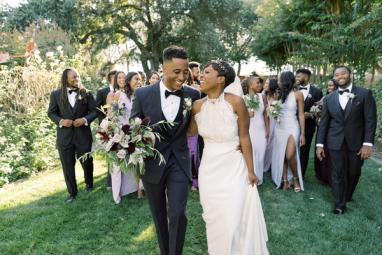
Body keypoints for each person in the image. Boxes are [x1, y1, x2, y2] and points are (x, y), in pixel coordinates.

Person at [188, 60, 268, 255]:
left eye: (207, 72)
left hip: (234, 166)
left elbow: (244, 137)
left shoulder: (235, 102)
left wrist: (251, 171)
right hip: (209, 169)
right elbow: (189, 133)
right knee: (213, 218)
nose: (201, 75)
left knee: (233, 219)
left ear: (221, 79)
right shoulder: (197, 106)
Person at [130, 46, 200, 255]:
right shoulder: (143, 94)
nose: (182, 77)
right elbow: (135, 126)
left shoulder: (193, 94)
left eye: (185, 71)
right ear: (163, 68)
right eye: (176, 72)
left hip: (179, 161)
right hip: (152, 163)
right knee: (159, 215)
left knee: (178, 213)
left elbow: (193, 128)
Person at [316, 66, 377, 214]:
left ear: (350, 74)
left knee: (354, 171)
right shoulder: (329, 98)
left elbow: (370, 120)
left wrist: (367, 144)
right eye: (337, 74)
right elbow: (324, 123)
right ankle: (339, 203)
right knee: (337, 172)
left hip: (356, 142)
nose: (340, 76)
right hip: (334, 141)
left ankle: (347, 194)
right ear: (334, 78)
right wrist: (319, 144)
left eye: (343, 73)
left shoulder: (364, 94)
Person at [47, 68, 97, 202]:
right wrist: (61, 121)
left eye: (78, 76)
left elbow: (94, 111)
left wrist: (85, 120)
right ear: (66, 79)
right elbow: (51, 113)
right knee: (67, 166)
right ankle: (72, 193)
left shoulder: (86, 93)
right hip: (65, 137)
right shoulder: (56, 95)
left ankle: (89, 184)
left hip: (83, 135)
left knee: (87, 162)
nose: (77, 79)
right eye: (73, 77)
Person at [106, 71, 143, 204]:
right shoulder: (118, 95)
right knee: (119, 165)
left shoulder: (140, 95)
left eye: (140, 80)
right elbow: (111, 114)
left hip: (137, 131)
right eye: (136, 79)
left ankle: (140, 190)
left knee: (138, 161)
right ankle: (118, 194)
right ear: (128, 81)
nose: (139, 82)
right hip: (120, 132)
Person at [271, 71, 305, 192]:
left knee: (290, 155)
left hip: (292, 126)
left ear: (286, 81)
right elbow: (275, 112)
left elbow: (301, 115)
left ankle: (295, 178)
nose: (278, 82)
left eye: (280, 80)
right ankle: (285, 180)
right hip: (280, 127)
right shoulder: (278, 95)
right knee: (282, 154)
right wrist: (274, 114)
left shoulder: (298, 94)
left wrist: (302, 134)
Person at [296, 68, 323, 178]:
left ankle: (300, 174)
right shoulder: (292, 89)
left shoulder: (316, 92)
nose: (297, 78)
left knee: (304, 150)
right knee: (291, 148)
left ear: (306, 77)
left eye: (299, 76)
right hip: (291, 124)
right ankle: (289, 171)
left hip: (308, 126)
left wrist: (311, 114)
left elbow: (320, 109)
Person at [246, 76, 269, 185]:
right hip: (249, 129)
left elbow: (265, 114)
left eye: (260, 83)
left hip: (261, 129)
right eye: (257, 83)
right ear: (250, 85)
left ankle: (258, 177)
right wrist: (247, 114)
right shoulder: (242, 98)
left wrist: (267, 129)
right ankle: (250, 176)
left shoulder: (262, 97)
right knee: (250, 153)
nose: (260, 85)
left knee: (261, 153)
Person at [314, 79, 338, 185]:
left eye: (332, 85)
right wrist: (316, 110)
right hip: (322, 127)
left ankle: (330, 175)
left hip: (332, 128)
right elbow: (316, 110)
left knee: (329, 151)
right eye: (328, 86)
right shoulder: (325, 97)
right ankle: (321, 174)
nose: (329, 87)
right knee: (320, 148)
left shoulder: (339, 98)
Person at [96, 70, 116, 189]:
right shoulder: (102, 92)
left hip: (121, 126)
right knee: (110, 153)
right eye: (113, 78)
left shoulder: (123, 90)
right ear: (109, 79)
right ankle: (110, 182)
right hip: (107, 126)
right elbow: (97, 109)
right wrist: (104, 123)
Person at [263, 79, 279, 172]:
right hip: (263, 121)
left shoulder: (276, 97)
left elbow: (276, 114)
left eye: (267, 83)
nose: (265, 85)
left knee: (270, 144)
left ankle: (268, 165)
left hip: (273, 122)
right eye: (265, 83)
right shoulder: (262, 95)